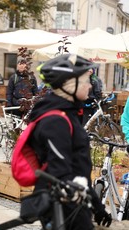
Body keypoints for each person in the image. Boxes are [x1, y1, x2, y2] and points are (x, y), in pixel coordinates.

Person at [26, 54, 111, 229]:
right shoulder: (56, 121)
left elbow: (78, 169)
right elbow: (61, 173)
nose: (90, 85)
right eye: (86, 80)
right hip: (62, 207)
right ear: (70, 84)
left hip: (74, 203)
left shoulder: (69, 114)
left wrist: (97, 207)